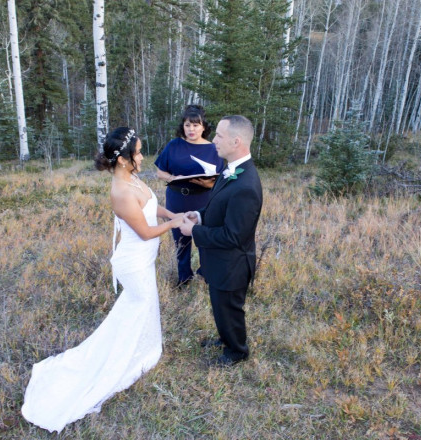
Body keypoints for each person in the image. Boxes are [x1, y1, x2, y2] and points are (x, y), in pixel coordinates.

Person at [21, 127, 184, 432]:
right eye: (136, 152)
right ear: (122, 160)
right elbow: (145, 231)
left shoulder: (132, 179)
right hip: (133, 263)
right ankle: (123, 359)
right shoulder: (120, 191)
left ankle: (145, 349)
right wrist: (175, 223)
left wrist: (173, 213)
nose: (141, 156)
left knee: (140, 308)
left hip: (143, 259)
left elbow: (150, 207)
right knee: (141, 304)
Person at [179, 115, 263, 367]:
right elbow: (219, 209)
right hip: (220, 262)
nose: (213, 139)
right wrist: (200, 216)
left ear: (236, 141)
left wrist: (193, 232)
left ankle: (237, 351)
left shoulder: (246, 184)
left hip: (232, 264)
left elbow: (234, 236)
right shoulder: (232, 170)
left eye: (219, 136)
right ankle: (225, 338)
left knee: (230, 309)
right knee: (220, 306)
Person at [155, 104, 224, 287]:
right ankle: (184, 278)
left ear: (203, 127)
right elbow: (160, 172)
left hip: (203, 199)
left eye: (196, 125)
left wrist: (211, 182)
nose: (191, 129)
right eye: (187, 125)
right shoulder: (174, 145)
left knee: (203, 238)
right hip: (177, 198)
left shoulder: (213, 149)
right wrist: (173, 177)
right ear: (182, 126)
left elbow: (221, 177)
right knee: (181, 240)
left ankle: (206, 275)